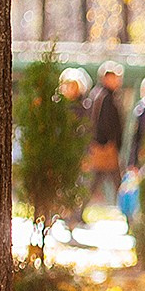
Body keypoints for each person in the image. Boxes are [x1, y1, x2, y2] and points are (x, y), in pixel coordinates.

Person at [83, 61, 127, 211]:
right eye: (115, 77)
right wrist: (108, 143)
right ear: (107, 78)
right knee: (117, 184)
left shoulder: (99, 95)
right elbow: (103, 124)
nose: (118, 81)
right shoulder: (105, 97)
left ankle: (77, 214)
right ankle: (129, 215)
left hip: (101, 147)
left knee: (96, 183)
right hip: (105, 149)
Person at [58, 68, 91, 227]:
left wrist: (86, 154)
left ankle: (73, 217)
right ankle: (60, 214)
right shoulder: (58, 105)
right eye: (68, 85)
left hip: (77, 152)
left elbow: (87, 131)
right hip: (60, 150)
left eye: (73, 86)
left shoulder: (85, 106)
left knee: (77, 184)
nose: (70, 89)